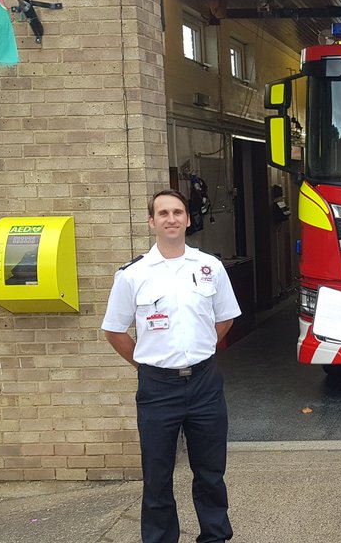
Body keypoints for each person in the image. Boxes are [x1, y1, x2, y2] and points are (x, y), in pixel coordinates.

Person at [101, 189, 241, 543]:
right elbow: (114, 330)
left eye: (178, 212)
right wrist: (146, 364)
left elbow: (224, 319)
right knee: (158, 474)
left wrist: (200, 346)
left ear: (188, 219)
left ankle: (215, 535)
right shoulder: (133, 275)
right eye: (163, 213)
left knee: (210, 471)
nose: (171, 218)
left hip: (204, 382)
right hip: (157, 388)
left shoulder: (209, 267)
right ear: (151, 222)